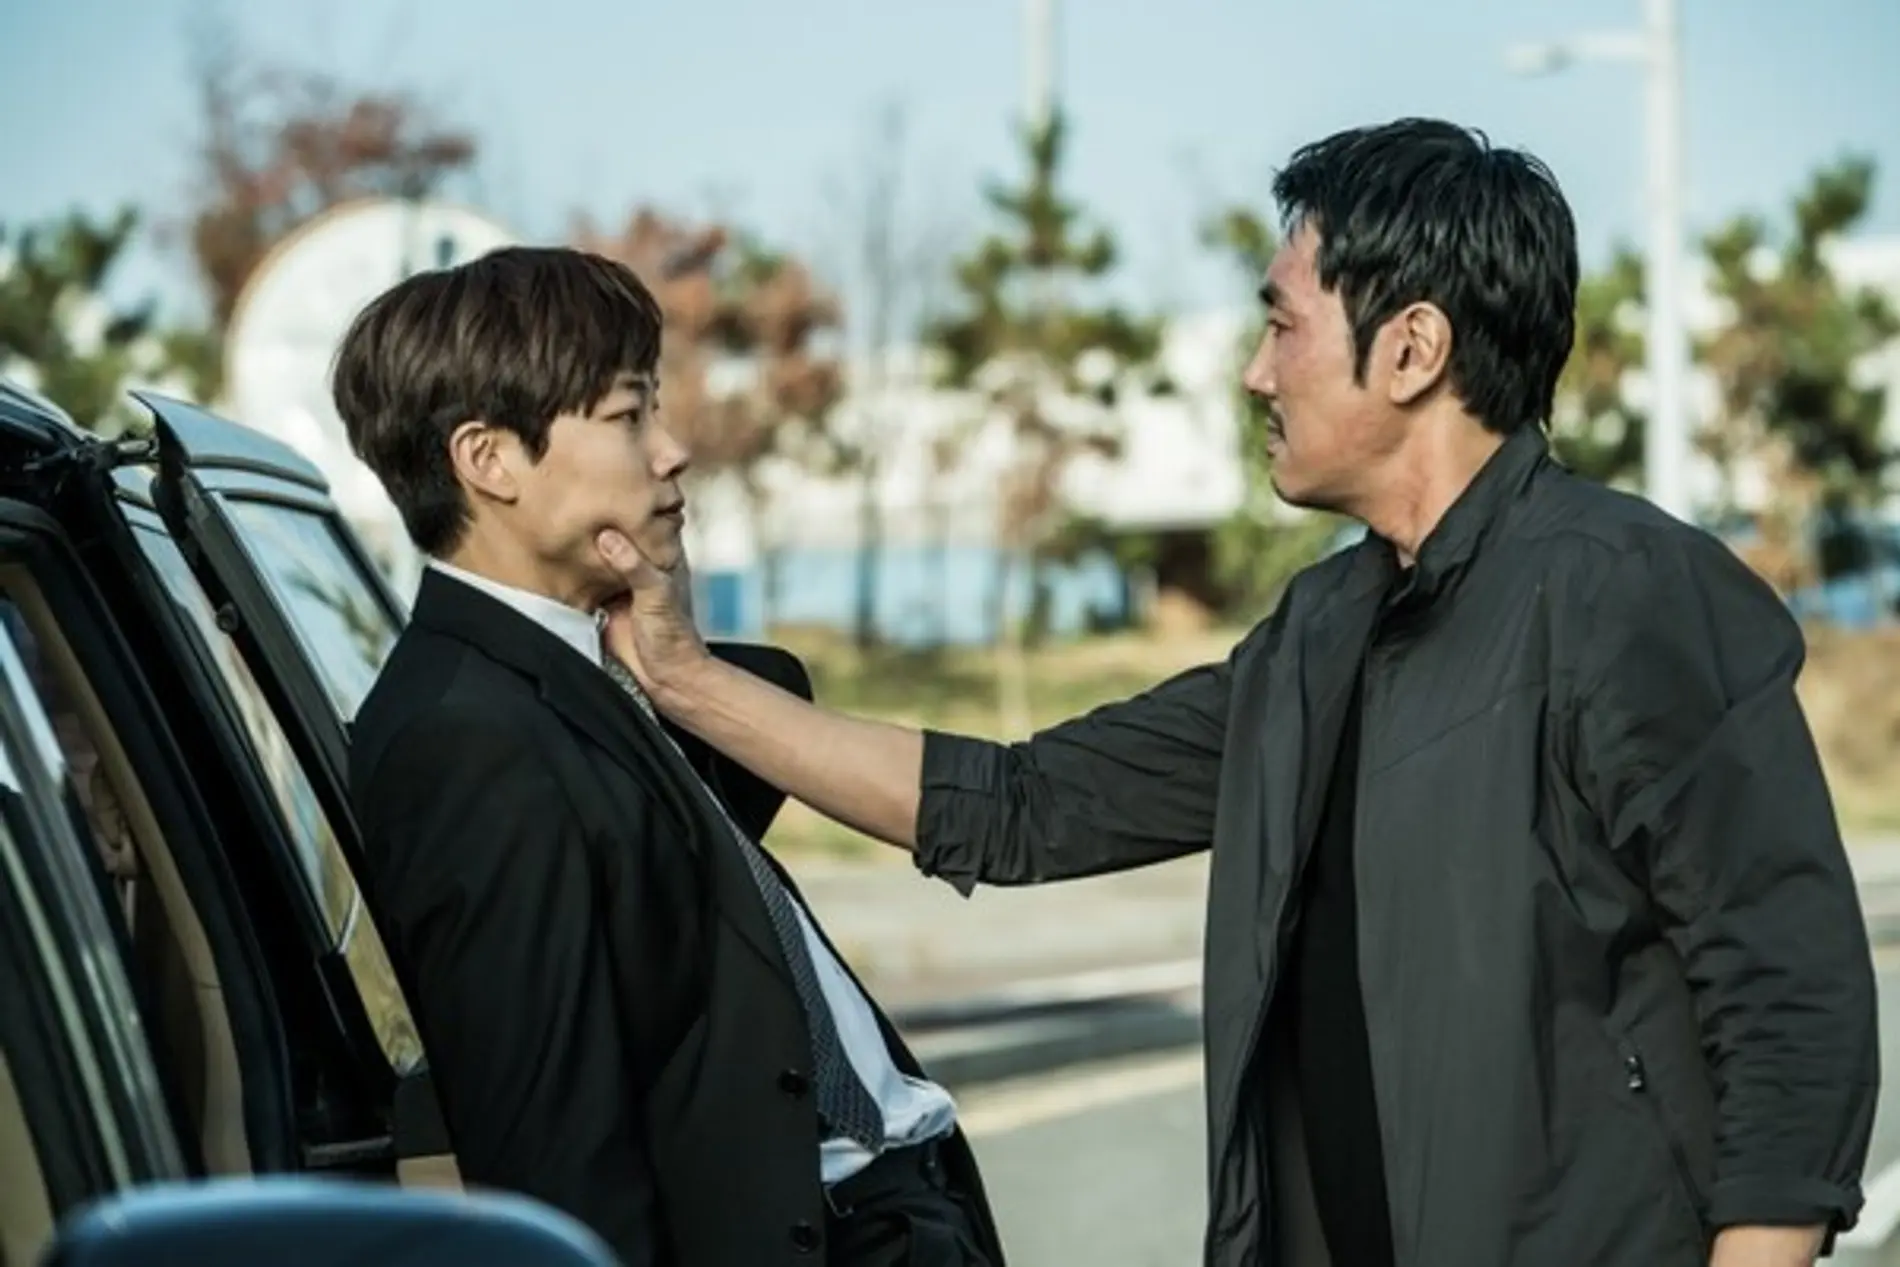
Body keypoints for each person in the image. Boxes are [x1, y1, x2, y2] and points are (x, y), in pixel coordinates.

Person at [596, 119, 1879, 1267]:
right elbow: (1024, 804)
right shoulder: (1319, 633)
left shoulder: (1624, 592)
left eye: (1282, 324)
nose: (1257, 373)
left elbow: (1790, 1000)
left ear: (1412, 349)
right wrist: (686, 680)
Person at [333, 246, 1004, 1267]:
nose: (673, 449)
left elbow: (748, 739)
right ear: (489, 461)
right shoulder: (465, 736)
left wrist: (678, 657)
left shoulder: (592, 666)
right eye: (628, 415)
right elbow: (556, 1154)